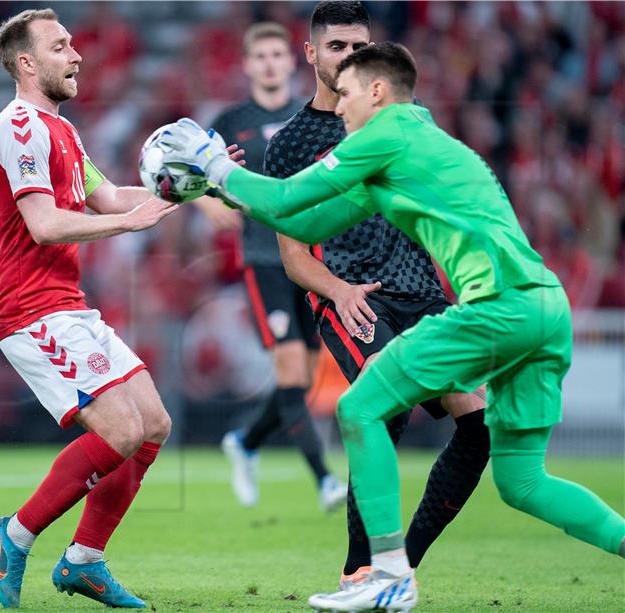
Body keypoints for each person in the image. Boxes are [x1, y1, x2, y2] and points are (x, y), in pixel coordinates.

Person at [157, 41, 625, 613]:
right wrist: (218, 185)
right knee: (522, 483)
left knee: (360, 408)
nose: (341, 110)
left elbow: (286, 192)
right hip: (544, 309)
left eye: (348, 95)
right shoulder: (408, 146)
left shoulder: (387, 131)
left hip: (498, 304)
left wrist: (217, 163)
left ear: (377, 91)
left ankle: (385, 573)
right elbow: (293, 215)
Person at [267, 1, 489, 589]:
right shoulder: (290, 145)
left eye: (358, 47)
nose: (348, 58)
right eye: (336, 47)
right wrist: (337, 290)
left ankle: (399, 565)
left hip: (426, 295)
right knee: (384, 408)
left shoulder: (405, 120)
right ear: (310, 53)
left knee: (480, 426)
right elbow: (293, 257)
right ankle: (357, 572)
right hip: (354, 299)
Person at [0, 9, 180, 609]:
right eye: (60, 46)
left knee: (152, 424)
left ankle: (83, 561)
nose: (76, 56)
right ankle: (12, 536)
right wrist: (124, 223)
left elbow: (111, 195)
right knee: (120, 429)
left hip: (67, 307)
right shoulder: (20, 126)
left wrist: (199, 184)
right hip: (30, 311)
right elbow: (42, 226)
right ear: (26, 63)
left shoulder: (63, 132)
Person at [198, 21, 348, 512]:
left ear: (292, 61)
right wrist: (208, 204)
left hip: (309, 259)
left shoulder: (311, 117)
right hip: (263, 259)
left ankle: (244, 442)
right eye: (259, 55)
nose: (268, 63)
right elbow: (182, 171)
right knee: (289, 372)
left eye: (276, 55)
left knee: (299, 380)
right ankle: (325, 479)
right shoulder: (229, 119)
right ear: (247, 65)